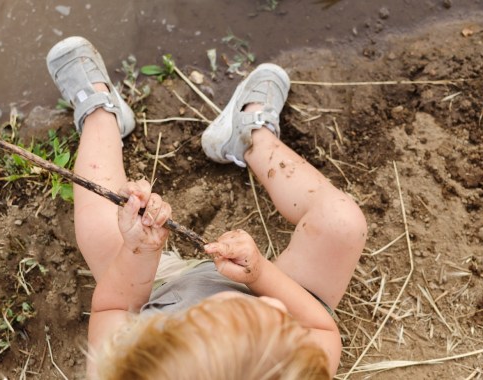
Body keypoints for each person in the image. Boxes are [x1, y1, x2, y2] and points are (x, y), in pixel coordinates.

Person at [46, 36, 367, 380]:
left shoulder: (123, 371)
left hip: (160, 290)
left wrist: (138, 250)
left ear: (152, 346)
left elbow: (111, 307)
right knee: (341, 223)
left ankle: (99, 114)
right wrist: (260, 277)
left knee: (102, 220)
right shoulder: (296, 369)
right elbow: (320, 328)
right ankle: (248, 135)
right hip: (262, 281)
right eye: (276, 319)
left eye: (257, 312)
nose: (275, 305)